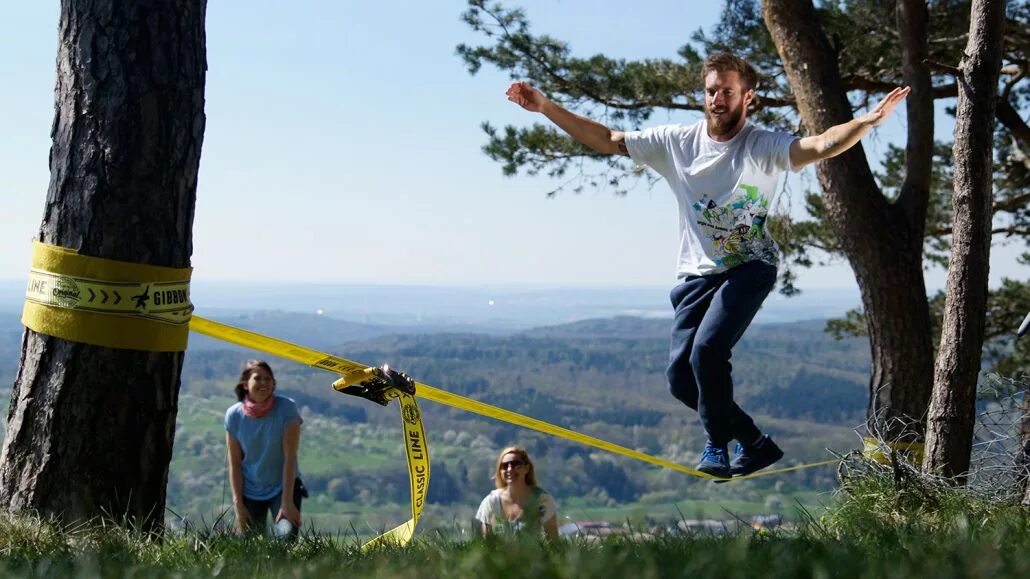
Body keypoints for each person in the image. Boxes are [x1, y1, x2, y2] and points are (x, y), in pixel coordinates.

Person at [505, 52, 909, 479]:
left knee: (708, 352)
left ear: (747, 98)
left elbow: (818, 144)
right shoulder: (677, 142)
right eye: (711, 90)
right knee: (682, 379)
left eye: (727, 91)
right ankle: (755, 443)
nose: (717, 99)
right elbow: (606, 138)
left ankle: (716, 444)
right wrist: (546, 107)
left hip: (750, 265)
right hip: (696, 276)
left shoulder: (762, 144)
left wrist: (864, 123)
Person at [225, 359, 308, 536]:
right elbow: (235, 463)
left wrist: (287, 502)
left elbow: (290, 457)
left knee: (285, 541)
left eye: (268, 379)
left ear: (274, 384)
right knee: (251, 549)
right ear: (246, 384)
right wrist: (238, 504)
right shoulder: (234, 416)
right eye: (258, 378)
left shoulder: (286, 408)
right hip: (250, 490)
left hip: (284, 487)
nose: (263, 383)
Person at [476, 446, 559, 538]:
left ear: (526, 468)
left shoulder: (541, 500)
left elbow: (553, 540)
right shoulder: (491, 502)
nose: (509, 469)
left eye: (516, 464)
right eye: (504, 466)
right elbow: (485, 542)